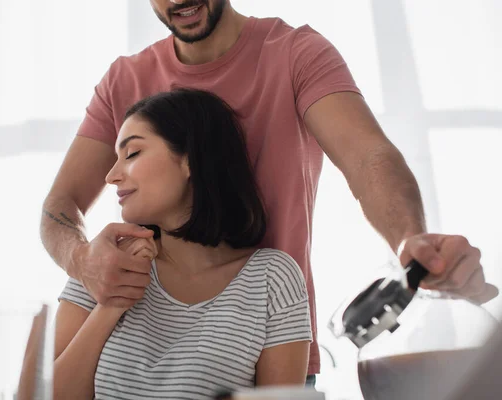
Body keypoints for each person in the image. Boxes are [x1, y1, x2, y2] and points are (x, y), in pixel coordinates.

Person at [40, 0, 498, 380]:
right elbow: (60, 205)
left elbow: (368, 158)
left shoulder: (296, 54)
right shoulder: (124, 79)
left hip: (272, 349)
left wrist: (408, 240)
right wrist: (85, 263)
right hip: (135, 347)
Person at [53, 88, 313, 400]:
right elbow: (42, 396)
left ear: (190, 159)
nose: (111, 175)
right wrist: (112, 304)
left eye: (132, 154)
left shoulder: (271, 278)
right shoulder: (102, 263)